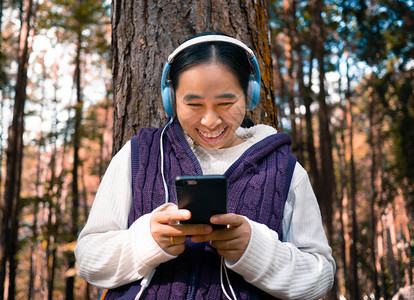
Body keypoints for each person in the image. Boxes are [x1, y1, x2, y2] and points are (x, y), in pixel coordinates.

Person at [75, 32, 335, 300]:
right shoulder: (139, 153)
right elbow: (90, 259)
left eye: (226, 103)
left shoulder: (286, 169)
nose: (210, 121)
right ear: (171, 99)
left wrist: (257, 250)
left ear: (249, 94)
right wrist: (144, 241)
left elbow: (320, 276)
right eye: (194, 104)